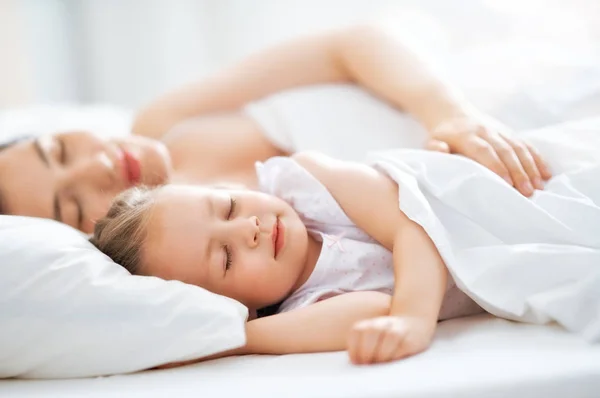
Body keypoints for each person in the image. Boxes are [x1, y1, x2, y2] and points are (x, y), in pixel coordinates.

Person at [0, 24, 551, 233]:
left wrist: (448, 114)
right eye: (72, 205)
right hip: (499, 183)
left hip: (468, 103)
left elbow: (350, 45)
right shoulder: (207, 248)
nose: (97, 164)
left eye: (60, 148)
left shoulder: (164, 122)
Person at [90, 150, 488, 366]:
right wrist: (225, 340)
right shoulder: (303, 308)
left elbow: (412, 224)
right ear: (238, 306)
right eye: (226, 259)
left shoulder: (308, 183)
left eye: (228, 206)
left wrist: (413, 319)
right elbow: (375, 310)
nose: (248, 229)